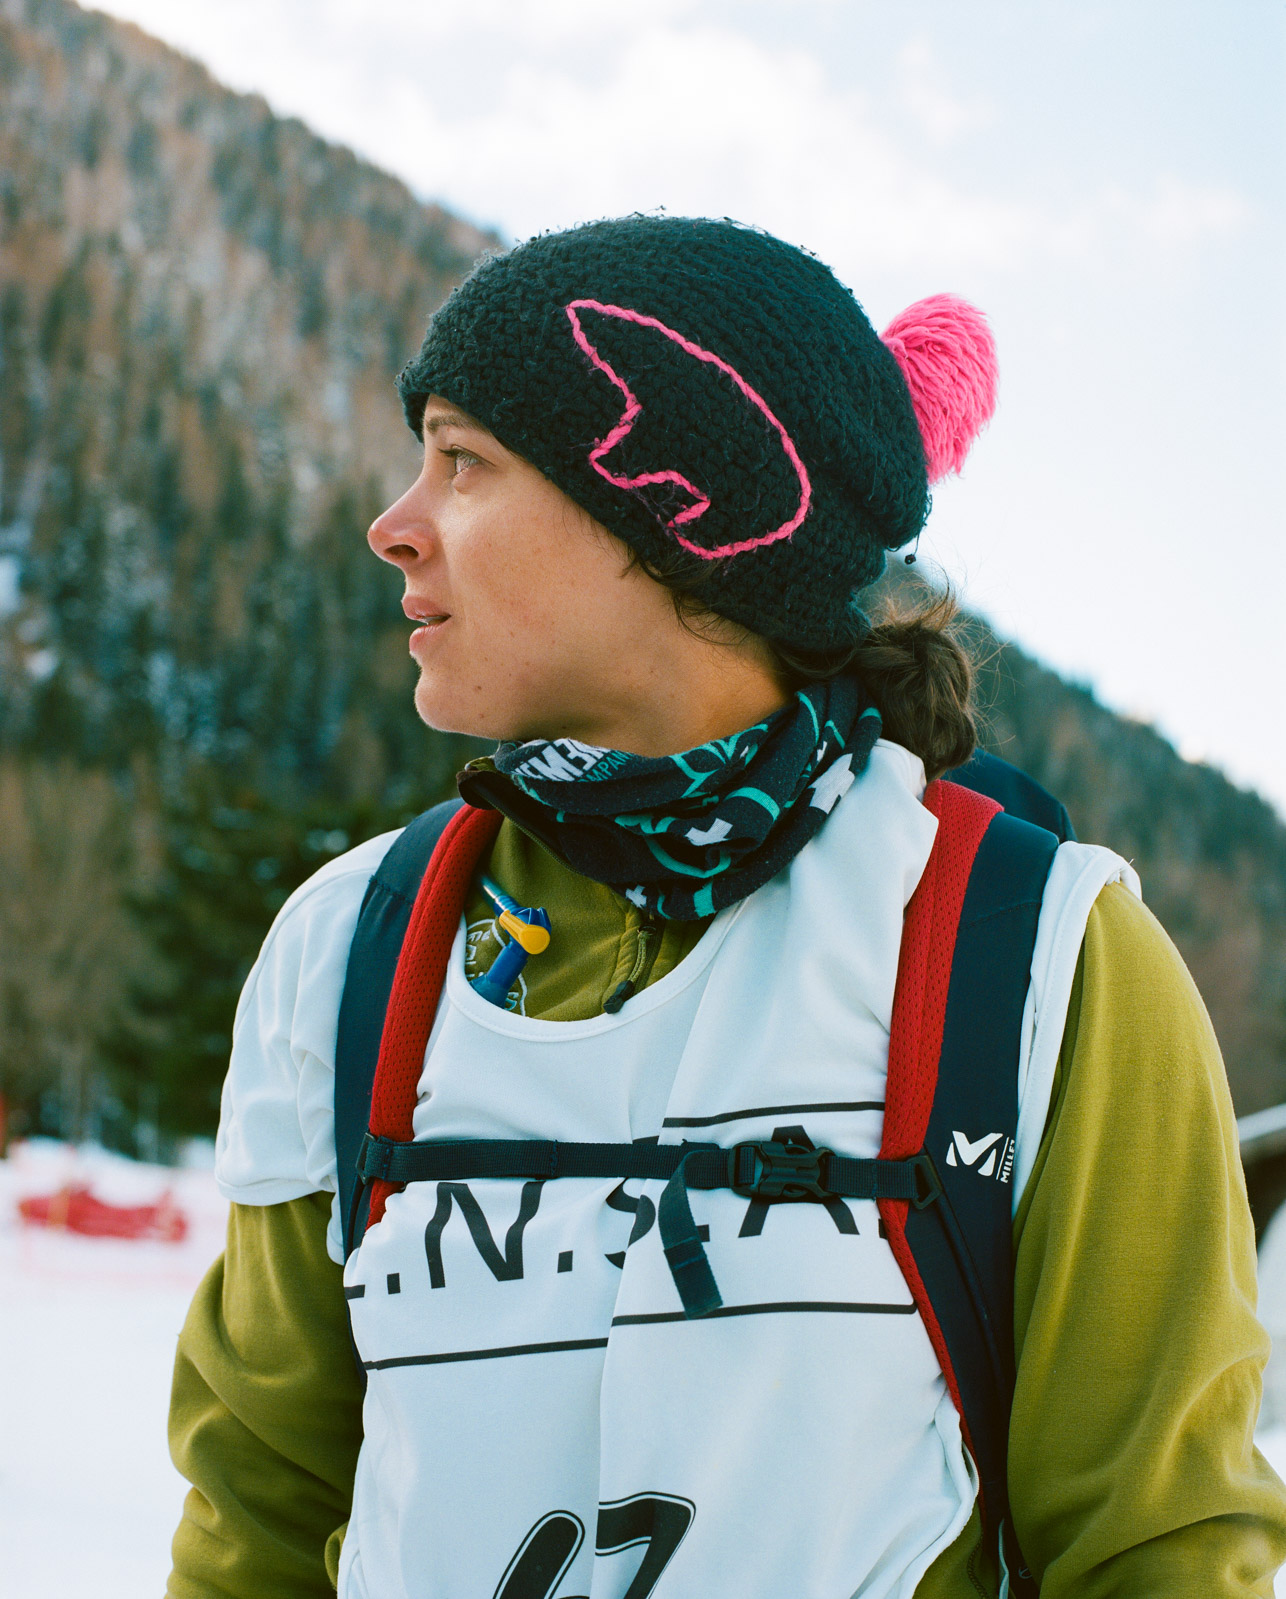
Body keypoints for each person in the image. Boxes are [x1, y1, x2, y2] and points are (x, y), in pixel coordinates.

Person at [166, 216, 1286, 1598]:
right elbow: (257, 1517)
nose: (394, 525)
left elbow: (1160, 1551)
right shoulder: (350, 947)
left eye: (463, 462)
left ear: (672, 511)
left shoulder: (1041, 953)